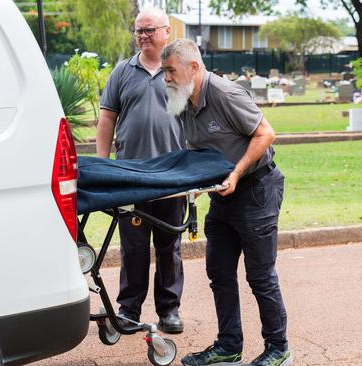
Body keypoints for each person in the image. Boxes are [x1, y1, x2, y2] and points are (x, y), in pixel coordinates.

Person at [161, 38, 293, 366]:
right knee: (219, 272)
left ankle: (279, 349)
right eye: (164, 72)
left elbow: (266, 134)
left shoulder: (225, 94)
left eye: (170, 71)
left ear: (193, 67)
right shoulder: (181, 101)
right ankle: (229, 346)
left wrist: (234, 174)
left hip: (256, 189)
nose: (166, 78)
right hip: (223, 197)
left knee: (260, 276)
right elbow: (196, 150)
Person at [96, 7, 185, 334]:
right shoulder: (122, 71)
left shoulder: (179, 70)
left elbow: (197, 117)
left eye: (150, 30)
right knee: (133, 246)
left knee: (169, 245)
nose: (143, 36)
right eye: (139, 31)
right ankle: (128, 309)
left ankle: (169, 310)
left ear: (166, 32)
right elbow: (106, 119)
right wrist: (104, 167)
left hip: (171, 175)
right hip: (130, 176)